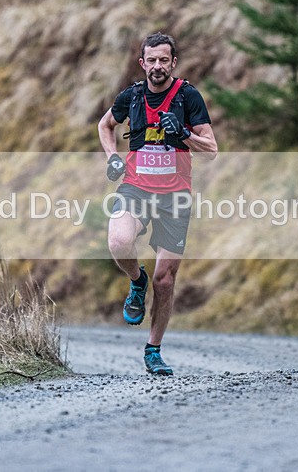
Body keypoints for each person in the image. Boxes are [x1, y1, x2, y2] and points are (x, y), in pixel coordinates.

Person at [97, 32, 218, 375]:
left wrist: (182, 133)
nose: (157, 67)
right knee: (119, 241)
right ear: (142, 63)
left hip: (175, 196)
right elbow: (106, 125)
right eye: (151, 60)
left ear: (173, 63)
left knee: (165, 280)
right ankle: (137, 281)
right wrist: (112, 158)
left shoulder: (188, 97)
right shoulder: (132, 97)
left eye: (164, 60)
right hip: (135, 187)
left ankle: (153, 350)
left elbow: (211, 150)